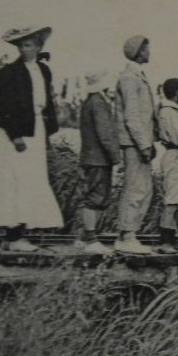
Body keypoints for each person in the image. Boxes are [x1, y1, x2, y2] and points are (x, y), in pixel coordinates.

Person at [0, 26, 63, 250]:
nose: (24, 49)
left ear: (39, 46)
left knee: (31, 180)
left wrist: (47, 133)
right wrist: (15, 135)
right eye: (20, 45)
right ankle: (14, 236)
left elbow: (47, 103)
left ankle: (14, 237)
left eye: (28, 45)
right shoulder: (9, 72)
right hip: (15, 133)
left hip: (36, 130)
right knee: (14, 179)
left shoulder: (44, 70)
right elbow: (3, 107)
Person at [113, 35, 157, 255]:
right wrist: (144, 144)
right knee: (136, 188)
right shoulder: (129, 77)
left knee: (143, 188)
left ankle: (129, 233)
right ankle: (127, 235)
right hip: (135, 144)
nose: (149, 51)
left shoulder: (137, 75)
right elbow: (132, 116)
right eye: (147, 48)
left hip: (139, 143)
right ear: (139, 51)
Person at [74, 69, 121, 253]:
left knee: (95, 196)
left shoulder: (90, 101)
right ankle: (91, 240)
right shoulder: (99, 103)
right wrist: (116, 158)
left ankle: (84, 236)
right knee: (95, 198)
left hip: (92, 158)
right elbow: (105, 134)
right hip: (98, 160)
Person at [153, 77, 178, 248]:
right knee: (172, 199)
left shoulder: (168, 110)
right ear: (177, 92)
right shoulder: (169, 111)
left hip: (176, 155)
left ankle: (169, 236)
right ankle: (165, 240)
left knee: (175, 198)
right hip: (175, 154)